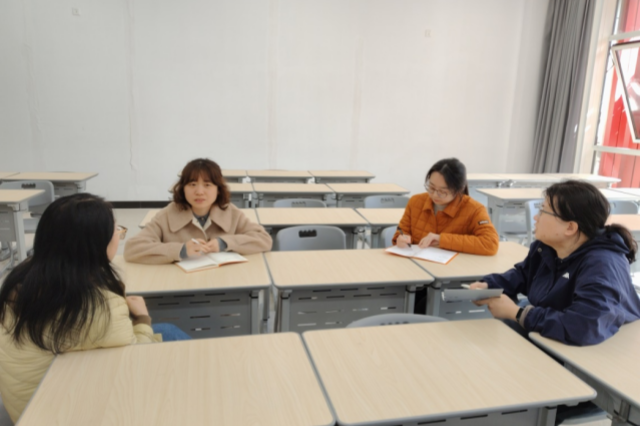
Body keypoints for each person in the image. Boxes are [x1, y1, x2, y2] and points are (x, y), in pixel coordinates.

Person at [0, 193, 178, 423]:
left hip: (26, 402)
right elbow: (135, 359)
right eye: (116, 231)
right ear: (94, 244)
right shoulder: (94, 305)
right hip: (62, 413)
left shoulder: (23, 276)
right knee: (169, 342)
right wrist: (143, 317)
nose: (118, 236)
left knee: (168, 331)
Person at [472, 180, 640, 346]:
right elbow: (524, 274)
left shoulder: (602, 264)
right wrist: (490, 285)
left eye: (543, 211)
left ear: (570, 228)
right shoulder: (546, 247)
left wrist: (518, 314)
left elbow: (584, 325)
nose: (536, 217)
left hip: (601, 349)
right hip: (557, 334)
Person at [124, 158, 272, 264]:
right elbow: (132, 248)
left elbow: (264, 239)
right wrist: (180, 250)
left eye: (207, 185)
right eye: (192, 184)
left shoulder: (230, 212)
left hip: (223, 282)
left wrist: (224, 243)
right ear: (183, 188)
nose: (199, 192)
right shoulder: (167, 215)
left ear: (218, 190)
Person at [392, 158, 499, 255]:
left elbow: (490, 243)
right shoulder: (415, 202)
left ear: (459, 189)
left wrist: (441, 239)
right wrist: (400, 240)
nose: (434, 195)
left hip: (455, 267)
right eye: (431, 187)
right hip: (418, 265)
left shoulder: (475, 209)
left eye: (442, 191)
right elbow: (401, 232)